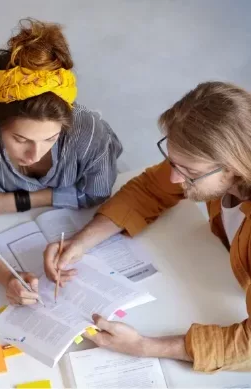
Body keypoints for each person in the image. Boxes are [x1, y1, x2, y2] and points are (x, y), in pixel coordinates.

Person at [44, 81, 251, 372]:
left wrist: (143, 346)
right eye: (174, 162)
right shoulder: (221, 164)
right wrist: (81, 242)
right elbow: (150, 189)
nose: (176, 178)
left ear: (231, 167)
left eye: (189, 172)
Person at [0, 19, 122, 305]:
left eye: (50, 139)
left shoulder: (89, 130)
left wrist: (12, 200)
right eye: (20, 139)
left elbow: (97, 193)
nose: (35, 154)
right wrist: (7, 276)